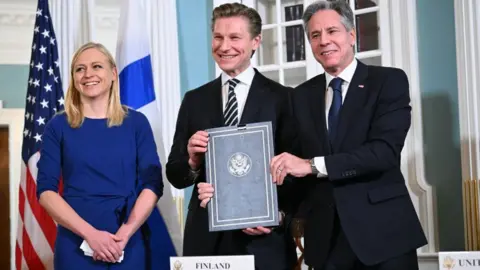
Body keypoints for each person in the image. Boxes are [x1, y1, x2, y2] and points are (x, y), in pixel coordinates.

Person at [269, 1, 428, 270]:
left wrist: (311, 165)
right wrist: (270, 212)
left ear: (351, 35)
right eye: (315, 35)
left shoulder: (387, 81)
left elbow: (384, 153)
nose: (324, 41)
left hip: (384, 237)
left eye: (332, 31)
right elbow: (290, 166)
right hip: (326, 241)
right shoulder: (300, 96)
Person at [166, 3, 297, 270]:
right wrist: (192, 161)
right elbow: (175, 175)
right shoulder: (194, 100)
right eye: (218, 37)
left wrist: (277, 216)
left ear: (255, 41)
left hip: (264, 242)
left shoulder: (284, 98)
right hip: (206, 241)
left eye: (235, 37)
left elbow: (296, 174)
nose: (224, 46)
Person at [36, 42, 163, 269]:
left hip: (127, 240)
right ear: (74, 78)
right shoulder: (58, 126)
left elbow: (152, 185)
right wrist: (91, 235)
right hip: (75, 242)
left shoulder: (136, 123)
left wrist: (123, 235)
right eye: (80, 69)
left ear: (113, 73)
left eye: (97, 66)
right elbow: (46, 191)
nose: (88, 74)